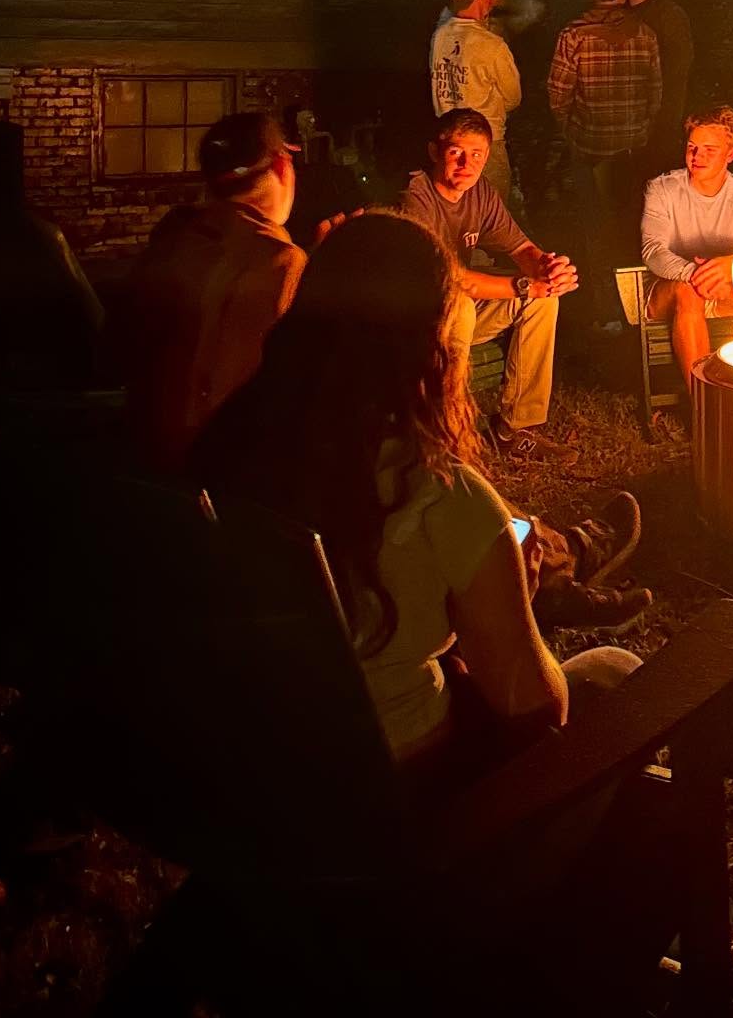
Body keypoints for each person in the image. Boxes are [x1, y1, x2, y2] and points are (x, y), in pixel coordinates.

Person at [195, 212, 643, 786]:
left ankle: (571, 558)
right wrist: (518, 603)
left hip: (249, 789)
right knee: (613, 668)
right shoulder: (434, 491)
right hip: (403, 808)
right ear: (430, 339)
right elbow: (538, 714)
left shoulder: (225, 447)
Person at [112, 112, 310, 471]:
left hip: (140, 447)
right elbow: (247, 386)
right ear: (282, 166)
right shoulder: (277, 260)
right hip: (213, 465)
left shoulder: (177, 235)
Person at [399, 110, 578, 463]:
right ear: (435, 152)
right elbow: (451, 280)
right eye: (456, 152)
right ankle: (446, 431)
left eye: (477, 155)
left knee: (544, 301)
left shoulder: (480, 193)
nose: (467, 163)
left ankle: (513, 429)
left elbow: (520, 247)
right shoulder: (414, 196)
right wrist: (525, 285)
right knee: (465, 304)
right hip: (413, 320)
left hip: (454, 311)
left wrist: (548, 268)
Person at [548, 0, 662, 328]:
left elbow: (558, 94)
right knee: (633, 228)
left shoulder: (574, 35)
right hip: (633, 152)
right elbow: (655, 92)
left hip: (591, 151)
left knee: (597, 232)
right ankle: (639, 311)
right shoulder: (644, 33)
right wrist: (642, 129)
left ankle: (607, 314)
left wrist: (570, 132)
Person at [641, 104, 733, 382]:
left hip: (726, 291)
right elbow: (653, 251)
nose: (697, 157)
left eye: (709, 150)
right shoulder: (662, 189)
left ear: (731, 154)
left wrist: (730, 267)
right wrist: (694, 274)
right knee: (688, 292)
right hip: (669, 291)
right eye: (692, 147)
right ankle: (701, 402)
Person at [429, 0, 522, 203]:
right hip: (483, 146)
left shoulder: (439, 36)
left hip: (448, 144)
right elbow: (513, 98)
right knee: (490, 216)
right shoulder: (492, 45)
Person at [617, 0, 694, 177]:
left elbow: (678, 68)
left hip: (659, 125)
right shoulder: (620, 16)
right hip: (627, 128)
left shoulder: (668, 14)